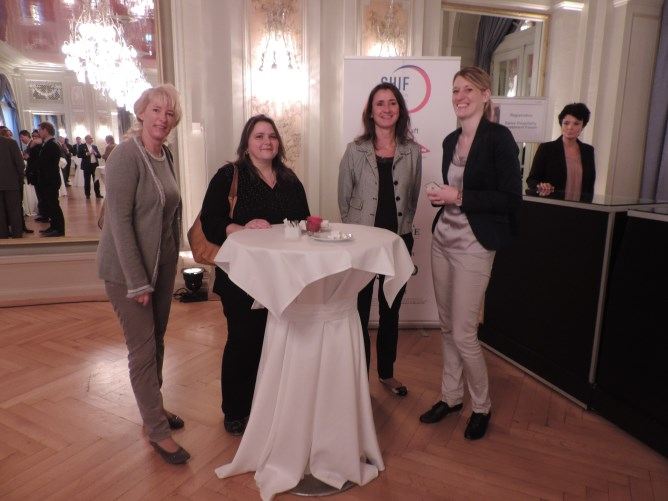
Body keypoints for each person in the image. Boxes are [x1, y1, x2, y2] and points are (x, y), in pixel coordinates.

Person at [420, 67, 521, 440]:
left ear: (485, 94)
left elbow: (510, 199)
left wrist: (458, 196)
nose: (459, 96)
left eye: (468, 89)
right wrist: (442, 195)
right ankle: (451, 397)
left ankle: (481, 406)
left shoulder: (499, 139)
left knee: (464, 333)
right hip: (442, 240)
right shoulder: (450, 140)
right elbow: (455, 190)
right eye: (455, 90)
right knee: (447, 327)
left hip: (474, 245)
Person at [96, 84, 189, 464]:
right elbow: (118, 222)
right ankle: (156, 429)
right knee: (143, 347)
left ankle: (154, 406)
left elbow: (168, 212)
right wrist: (138, 281)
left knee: (157, 340)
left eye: (169, 113)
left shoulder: (165, 154)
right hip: (127, 270)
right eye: (156, 110)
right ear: (141, 112)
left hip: (162, 264)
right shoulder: (126, 155)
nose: (163, 118)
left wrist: (172, 261)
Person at [200, 114, 310, 436]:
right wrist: (240, 228)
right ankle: (235, 410)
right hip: (242, 277)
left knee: (277, 341)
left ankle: (268, 405)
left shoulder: (289, 179)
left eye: (272, 136)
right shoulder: (229, 175)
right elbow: (210, 221)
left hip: (282, 276)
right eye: (259, 136)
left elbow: (302, 220)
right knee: (243, 340)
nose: (267, 141)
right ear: (246, 144)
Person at [337, 82, 422, 396]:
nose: (386, 109)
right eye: (380, 104)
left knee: (391, 310)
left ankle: (387, 373)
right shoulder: (355, 149)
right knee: (358, 310)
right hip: (361, 244)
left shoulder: (412, 151)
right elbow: (344, 198)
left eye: (392, 103)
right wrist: (357, 233)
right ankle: (359, 377)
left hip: (397, 243)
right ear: (370, 112)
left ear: (400, 110)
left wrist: (404, 231)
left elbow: (412, 198)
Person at [526, 103, 595, 201]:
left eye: (576, 123)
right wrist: (541, 185)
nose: (570, 127)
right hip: (553, 206)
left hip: (581, 207)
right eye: (566, 123)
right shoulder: (546, 148)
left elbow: (589, 187)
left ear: (582, 126)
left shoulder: (588, 151)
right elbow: (531, 180)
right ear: (561, 124)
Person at [36, 122, 65, 237]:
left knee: (54, 205)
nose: (39, 132)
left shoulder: (52, 144)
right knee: (50, 205)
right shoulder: (48, 144)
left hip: (50, 180)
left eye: (40, 130)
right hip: (48, 179)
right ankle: (53, 226)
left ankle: (59, 229)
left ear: (46, 130)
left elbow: (47, 164)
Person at [0, 127, 25, 238]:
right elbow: (20, 164)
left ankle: (3, 237)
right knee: (14, 211)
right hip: (12, 183)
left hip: (10, 183)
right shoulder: (11, 143)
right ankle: (17, 236)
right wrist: (20, 179)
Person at [78, 134, 103, 199]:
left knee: (96, 180)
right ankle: (87, 195)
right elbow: (79, 155)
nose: (92, 139)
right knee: (87, 180)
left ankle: (98, 194)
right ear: (86, 139)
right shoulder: (81, 146)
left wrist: (95, 153)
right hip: (87, 166)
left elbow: (99, 156)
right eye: (90, 138)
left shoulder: (94, 146)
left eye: (92, 138)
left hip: (95, 165)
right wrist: (87, 154)